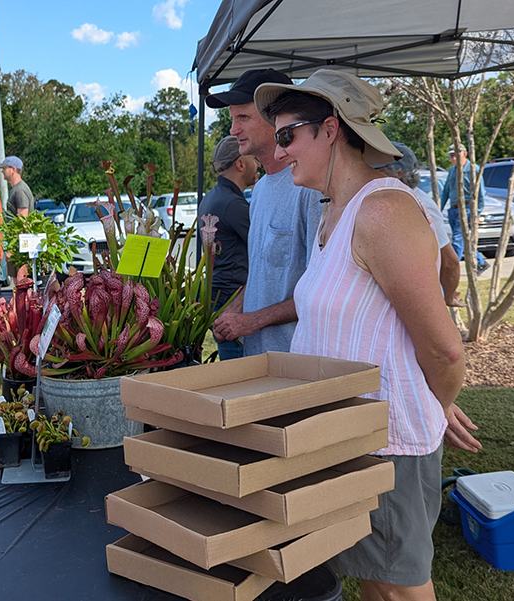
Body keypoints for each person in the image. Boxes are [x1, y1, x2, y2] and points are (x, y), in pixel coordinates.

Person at [255, 68, 480, 601]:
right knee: (375, 583)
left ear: (330, 130)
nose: (279, 150)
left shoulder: (382, 211)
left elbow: (445, 347)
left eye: (287, 135)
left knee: (398, 588)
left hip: (388, 445)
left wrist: (435, 401)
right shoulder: (334, 213)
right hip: (346, 440)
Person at [208, 69, 324, 355]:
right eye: (232, 119)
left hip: (297, 364)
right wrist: (237, 307)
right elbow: (264, 270)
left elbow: (321, 289)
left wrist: (251, 321)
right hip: (261, 360)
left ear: (278, 120)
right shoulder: (259, 191)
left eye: (243, 118)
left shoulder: (309, 188)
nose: (233, 130)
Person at [376, 142, 463, 307]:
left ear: (399, 173)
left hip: (420, 306)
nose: (371, 176)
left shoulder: (420, 204)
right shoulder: (384, 201)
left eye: (379, 170)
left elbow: (450, 262)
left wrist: (448, 297)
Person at [197, 135, 255, 361]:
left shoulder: (210, 198)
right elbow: (264, 247)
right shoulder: (233, 204)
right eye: (253, 159)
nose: (257, 164)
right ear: (240, 164)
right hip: (234, 299)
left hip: (218, 294)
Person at [442, 143, 489, 274]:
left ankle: (452, 269)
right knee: (464, 240)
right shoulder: (452, 170)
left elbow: (481, 193)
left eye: (456, 154)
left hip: (467, 209)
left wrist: (477, 213)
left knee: (458, 239)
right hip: (453, 209)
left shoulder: (473, 169)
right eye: (451, 155)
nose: (453, 158)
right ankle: (481, 262)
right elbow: (446, 190)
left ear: (465, 154)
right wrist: (438, 208)